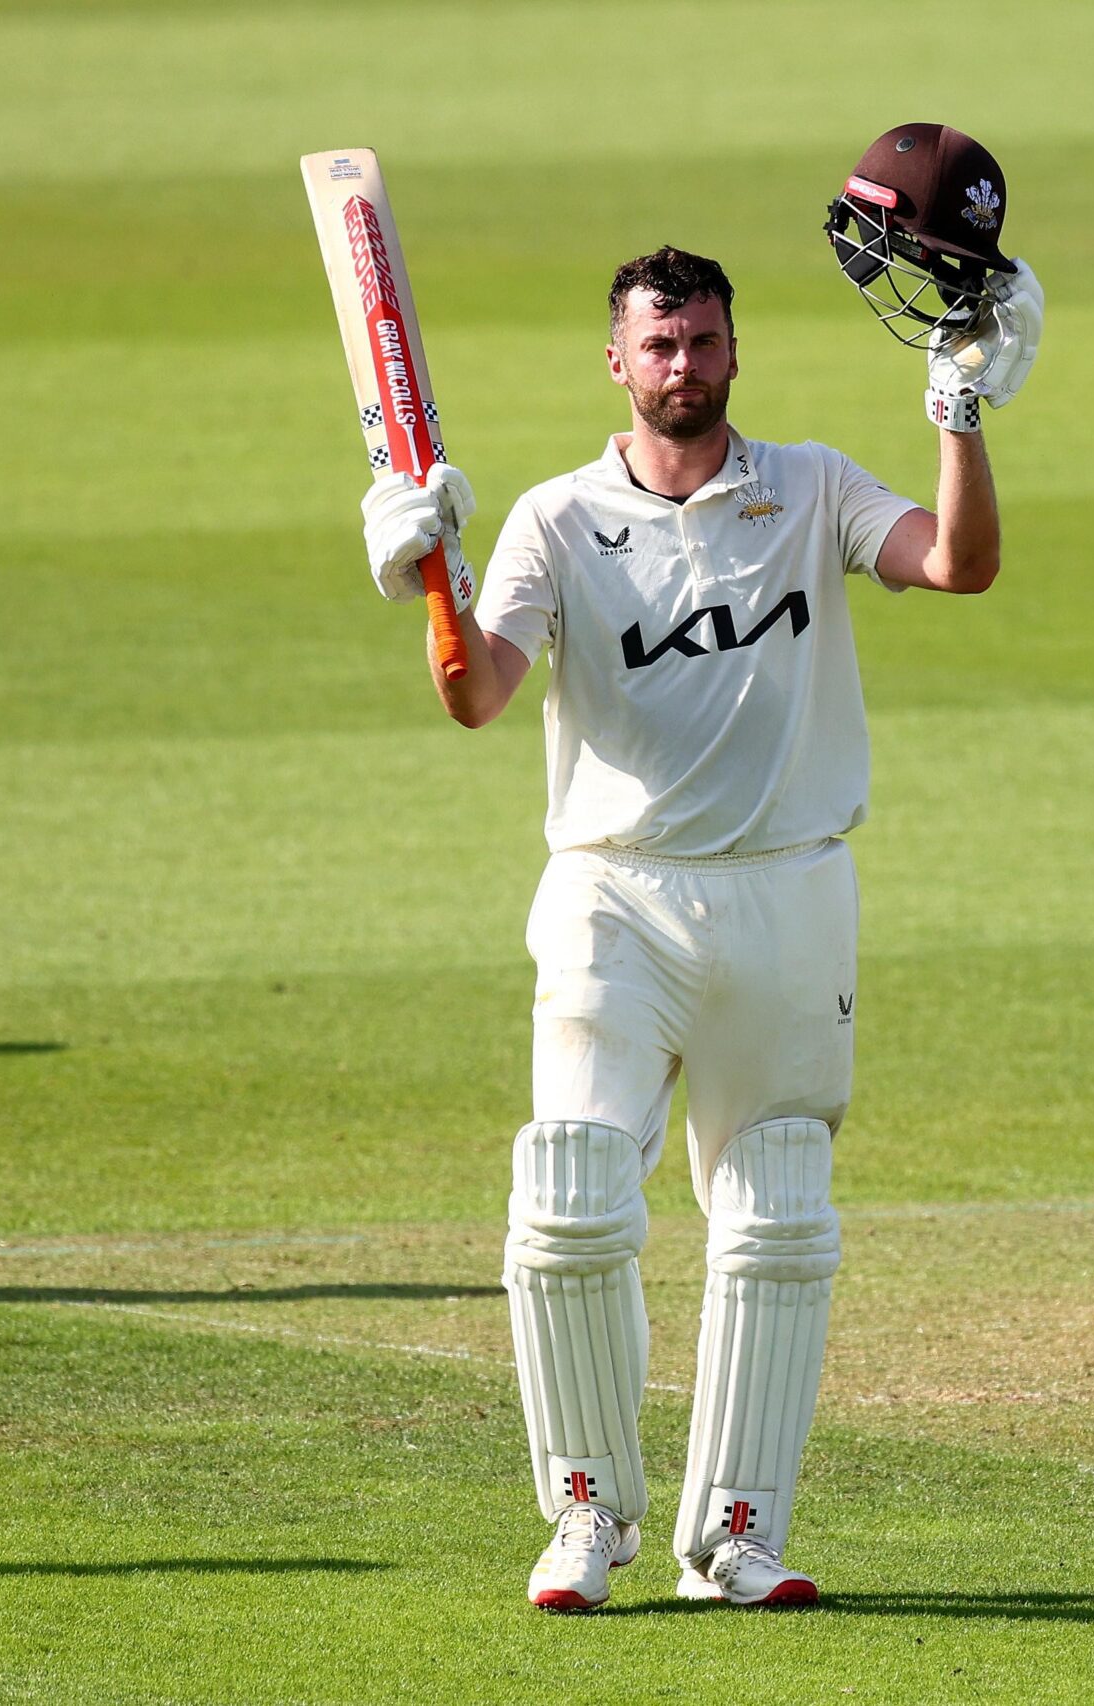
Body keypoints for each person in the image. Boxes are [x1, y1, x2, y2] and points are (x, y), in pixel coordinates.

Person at [356, 125, 1041, 1612]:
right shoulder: (555, 518)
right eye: (660, 341)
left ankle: (735, 1531)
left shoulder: (810, 488)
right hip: (616, 890)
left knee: (781, 1211)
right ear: (616, 361)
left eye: (706, 338)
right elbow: (478, 693)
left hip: (791, 890)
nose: (685, 362)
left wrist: (962, 409)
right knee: (574, 1190)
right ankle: (586, 1513)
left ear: (736, 349)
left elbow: (962, 564)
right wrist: (431, 580)